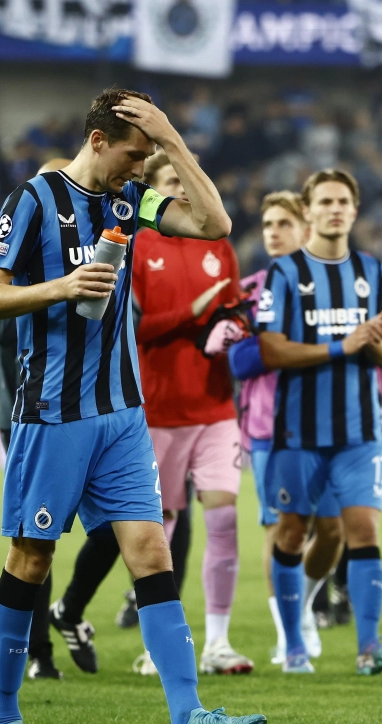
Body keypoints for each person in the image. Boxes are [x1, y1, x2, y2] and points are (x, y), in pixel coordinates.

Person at [0, 89, 265, 724]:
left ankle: (188, 721)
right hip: (52, 413)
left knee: (152, 553)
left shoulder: (132, 204)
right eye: (134, 153)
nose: (140, 165)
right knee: (31, 558)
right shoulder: (34, 200)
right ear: (97, 140)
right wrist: (61, 288)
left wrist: (172, 140)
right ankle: (3, 721)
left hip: (124, 415)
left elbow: (214, 223)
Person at [257, 169, 382, 677]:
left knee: (360, 530)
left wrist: (379, 345)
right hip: (298, 432)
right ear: (310, 210)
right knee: (293, 533)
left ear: (354, 209)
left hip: (360, 432)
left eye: (344, 200)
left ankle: (368, 648)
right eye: (325, 201)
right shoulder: (283, 273)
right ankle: (294, 643)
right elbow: (271, 349)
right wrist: (345, 344)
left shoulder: (375, 272)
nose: (335, 208)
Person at [127, 149, 252, 675]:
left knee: (223, 516)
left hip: (216, 405)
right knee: (160, 531)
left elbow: (233, 308)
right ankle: (164, 644)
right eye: (171, 179)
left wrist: (232, 327)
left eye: (186, 179)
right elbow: (134, 327)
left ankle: (219, 643)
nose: (181, 186)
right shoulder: (136, 245)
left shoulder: (217, 246)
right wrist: (193, 313)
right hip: (159, 410)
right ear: (152, 191)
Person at [229, 191, 345, 663]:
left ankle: (304, 605)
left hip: (332, 423)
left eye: (283, 223)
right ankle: (287, 634)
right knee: (281, 531)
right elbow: (238, 358)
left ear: (306, 228)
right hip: (269, 428)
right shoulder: (250, 291)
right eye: (267, 223)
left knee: (334, 531)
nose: (272, 232)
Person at [0, 157, 71, 681]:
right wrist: (57, 295)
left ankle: (73, 611)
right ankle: (37, 650)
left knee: (126, 534)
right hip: (26, 410)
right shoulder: (15, 244)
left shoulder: (102, 245)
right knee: (36, 539)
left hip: (100, 412)